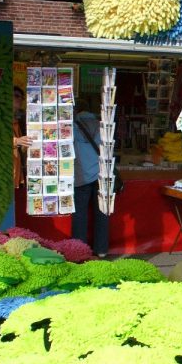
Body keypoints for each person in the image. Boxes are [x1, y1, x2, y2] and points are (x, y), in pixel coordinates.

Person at [72, 99, 109, 257]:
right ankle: (101, 249)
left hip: (81, 175)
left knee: (80, 215)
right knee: (101, 213)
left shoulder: (73, 127)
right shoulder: (101, 126)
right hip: (100, 174)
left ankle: (79, 250)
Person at [13, 86, 33, 189]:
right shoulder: (1, 117)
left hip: (16, 173)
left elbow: (21, 148)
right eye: (16, 96)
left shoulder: (17, 120)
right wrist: (17, 141)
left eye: (22, 97)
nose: (20, 99)